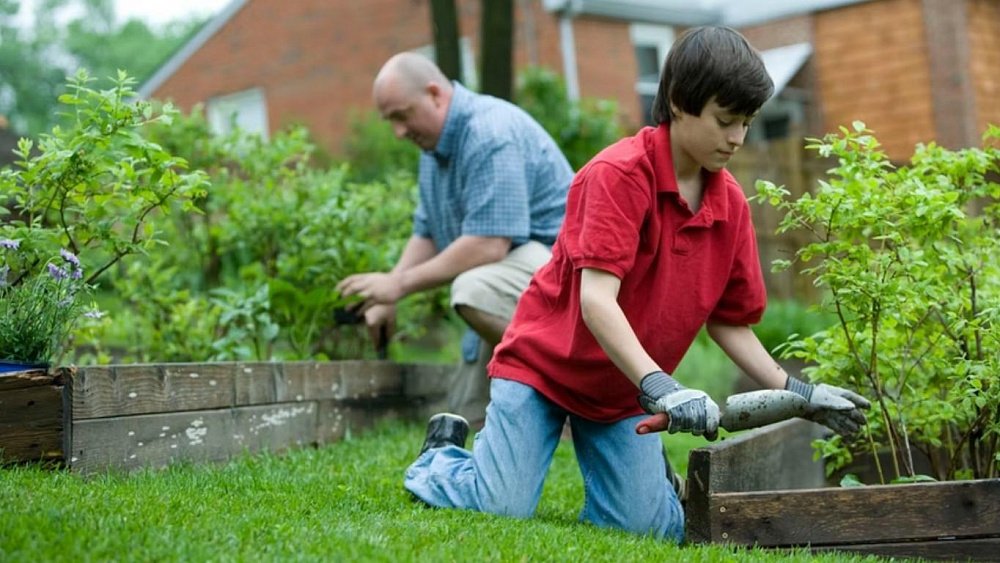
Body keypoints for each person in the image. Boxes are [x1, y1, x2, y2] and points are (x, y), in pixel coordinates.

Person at [402, 26, 871, 543]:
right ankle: (442, 456)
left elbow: (729, 323)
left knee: (646, 530)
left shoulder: (731, 206)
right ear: (679, 102)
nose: (738, 138)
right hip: (543, 370)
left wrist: (802, 394)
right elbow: (596, 301)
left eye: (747, 122)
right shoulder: (617, 176)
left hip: (623, 391)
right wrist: (663, 386)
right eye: (725, 121)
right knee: (501, 505)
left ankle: (651, 485)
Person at [336, 53, 574, 427]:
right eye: (390, 121)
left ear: (434, 94)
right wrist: (386, 294)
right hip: (512, 280)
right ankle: (537, 404)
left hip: (564, 278)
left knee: (473, 290)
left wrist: (399, 285)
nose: (398, 131)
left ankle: (573, 390)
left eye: (402, 115)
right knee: (466, 415)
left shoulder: (489, 133)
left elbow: (489, 244)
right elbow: (427, 231)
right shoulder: (434, 150)